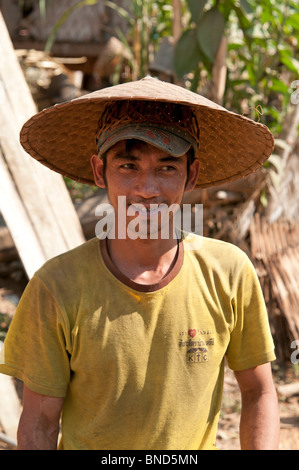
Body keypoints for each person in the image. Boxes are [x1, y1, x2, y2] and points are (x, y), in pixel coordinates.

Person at [0, 76, 279, 450]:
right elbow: (41, 422)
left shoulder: (228, 272)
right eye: (128, 166)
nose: (147, 188)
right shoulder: (57, 286)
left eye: (167, 168)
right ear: (100, 171)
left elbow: (259, 392)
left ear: (190, 175)